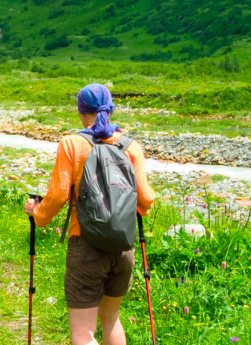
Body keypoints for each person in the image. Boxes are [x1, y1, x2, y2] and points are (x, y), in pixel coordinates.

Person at [24, 84, 156, 345]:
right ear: (111, 109)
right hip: (123, 247)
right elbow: (145, 199)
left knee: (83, 332)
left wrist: (37, 214)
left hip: (86, 245)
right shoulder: (131, 147)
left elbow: (58, 196)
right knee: (111, 319)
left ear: (80, 111)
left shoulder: (72, 145)